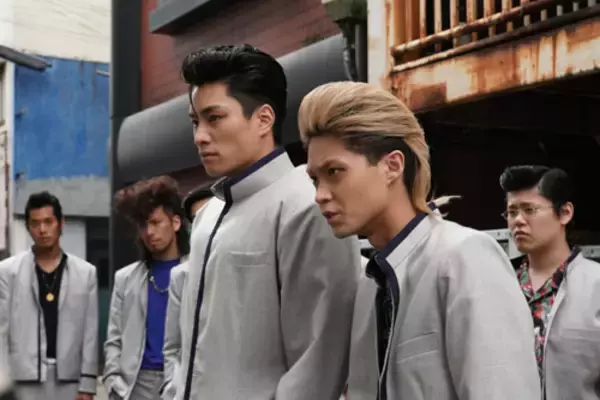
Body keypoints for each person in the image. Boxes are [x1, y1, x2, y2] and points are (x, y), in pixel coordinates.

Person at [297, 81, 541, 400]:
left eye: (334, 172)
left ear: (392, 166)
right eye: (314, 179)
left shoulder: (464, 258)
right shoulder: (369, 287)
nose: (320, 195)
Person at [175, 44, 361, 400]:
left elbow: (321, 358)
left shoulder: (308, 206)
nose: (200, 136)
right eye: (195, 121)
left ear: (263, 119)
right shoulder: (208, 215)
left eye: (214, 118)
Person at [500, 165, 600, 399]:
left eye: (530, 210)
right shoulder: (499, 282)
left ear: (565, 213)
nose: (518, 221)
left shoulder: (595, 285)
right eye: (512, 212)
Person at [0, 192, 98, 400]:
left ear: (61, 223)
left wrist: (88, 384)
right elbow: (2, 329)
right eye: (35, 223)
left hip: (69, 379)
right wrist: (2, 383)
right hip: (23, 378)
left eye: (48, 222)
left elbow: (90, 333)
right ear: (28, 227)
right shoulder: (7, 271)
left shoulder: (85, 273)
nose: (42, 230)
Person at [103, 176, 190, 400]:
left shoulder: (195, 272)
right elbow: (114, 338)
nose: (149, 232)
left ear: (176, 223)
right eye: (143, 225)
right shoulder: (126, 278)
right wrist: (113, 382)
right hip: (135, 383)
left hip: (180, 379)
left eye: (155, 222)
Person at [160, 182, 215, 400]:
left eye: (210, 216)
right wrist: (173, 388)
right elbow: (172, 346)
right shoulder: (181, 275)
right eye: (196, 219)